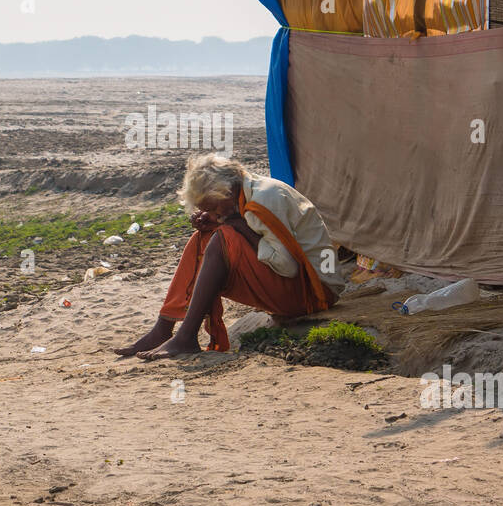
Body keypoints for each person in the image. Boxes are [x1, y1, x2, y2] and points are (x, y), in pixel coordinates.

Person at [114, 153, 344, 360]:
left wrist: (235, 225)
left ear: (227, 191)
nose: (215, 214)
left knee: (223, 237)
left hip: (315, 293)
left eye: (215, 208)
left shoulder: (264, 198)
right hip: (300, 286)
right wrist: (217, 221)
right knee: (204, 238)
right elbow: (250, 229)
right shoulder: (243, 191)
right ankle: (164, 328)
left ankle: (186, 337)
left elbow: (288, 267)